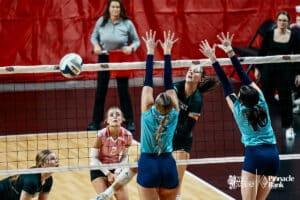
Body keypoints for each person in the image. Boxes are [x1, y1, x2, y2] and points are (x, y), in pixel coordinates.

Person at [93, 30, 179, 200]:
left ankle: (106, 194)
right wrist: (168, 53)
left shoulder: (147, 111)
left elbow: (148, 81)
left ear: (155, 103)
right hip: (168, 164)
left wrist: (150, 51)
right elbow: (169, 83)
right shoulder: (175, 113)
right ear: (171, 102)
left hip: (148, 164)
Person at [199, 32, 280, 200]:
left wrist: (213, 58)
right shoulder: (262, 102)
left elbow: (225, 83)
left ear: (241, 100)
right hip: (273, 156)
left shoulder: (239, 111)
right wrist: (230, 51)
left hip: (255, 157)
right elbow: (245, 77)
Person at [88, 0, 140, 135]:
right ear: (109, 9)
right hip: (105, 57)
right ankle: (95, 121)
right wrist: (96, 45)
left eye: (117, 7)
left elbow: (136, 41)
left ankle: (129, 121)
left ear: (120, 9)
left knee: (123, 91)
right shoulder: (102, 21)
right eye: (113, 6)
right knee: (101, 90)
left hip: (120, 57)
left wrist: (131, 47)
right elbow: (94, 37)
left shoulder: (127, 23)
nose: (115, 9)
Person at [172, 62, 217, 200]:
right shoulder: (176, 87)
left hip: (182, 138)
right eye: (190, 70)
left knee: (177, 181)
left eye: (196, 71)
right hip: (166, 132)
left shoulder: (197, 100)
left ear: (201, 79)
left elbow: (187, 128)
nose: (191, 72)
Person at [254, 11, 299, 139]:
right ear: (276, 21)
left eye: (285, 20)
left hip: (285, 71)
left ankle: (288, 127)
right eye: (280, 20)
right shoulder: (269, 34)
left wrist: (298, 73)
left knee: (286, 100)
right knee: (265, 99)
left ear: (289, 22)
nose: (282, 23)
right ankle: (263, 127)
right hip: (269, 70)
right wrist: (258, 68)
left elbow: (297, 56)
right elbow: (262, 52)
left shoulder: (294, 36)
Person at [89, 106, 133, 200]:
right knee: (107, 199)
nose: (115, 117)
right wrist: (108, 173)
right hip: (98, 170)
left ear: (122, 119)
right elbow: (93, 158)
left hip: (116, 168)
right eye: (111, 115)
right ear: (107, 120)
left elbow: (125, 157)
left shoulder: (127, 136)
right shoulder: (101, 135)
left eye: (118, 115)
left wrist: (116, 172)